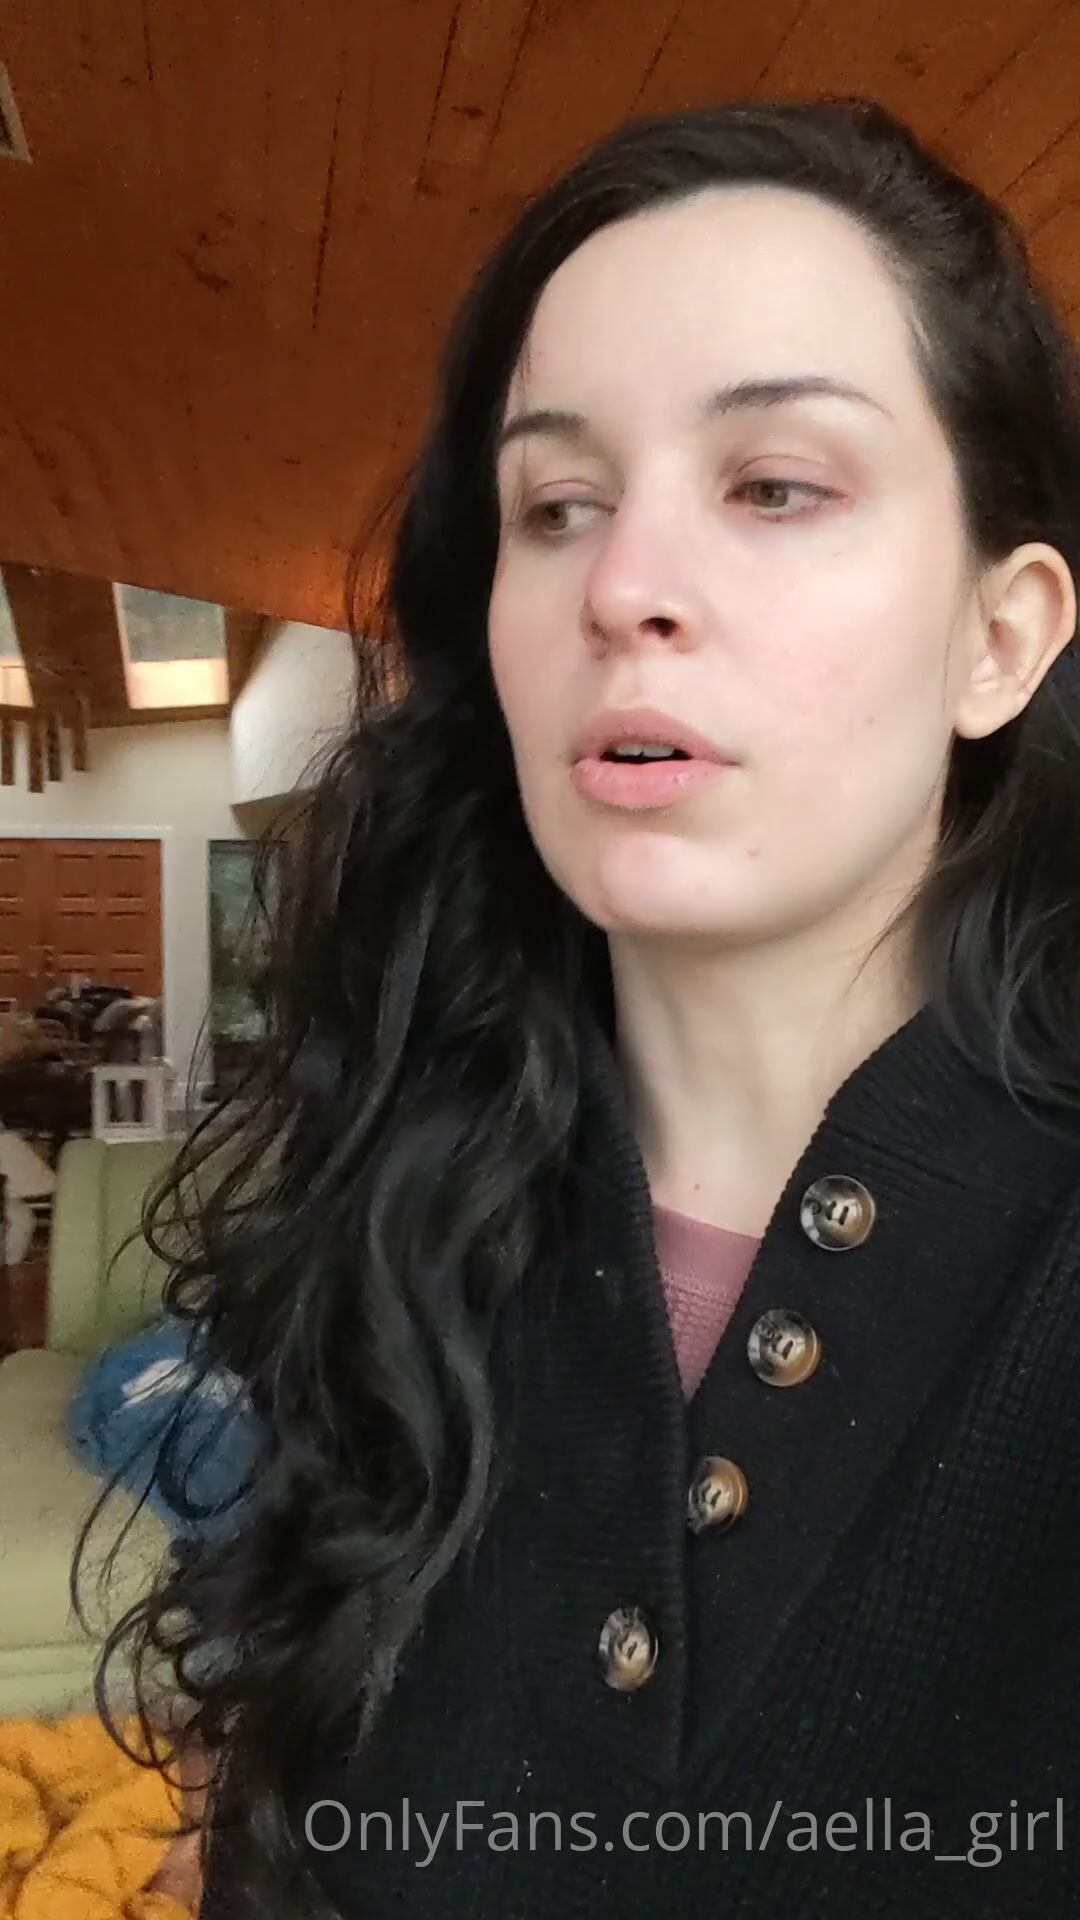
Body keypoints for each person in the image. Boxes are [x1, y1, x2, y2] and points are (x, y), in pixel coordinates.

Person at [74, 96, 1080, 1917]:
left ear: (999, 639)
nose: (623, 587)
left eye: (775, 486)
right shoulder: (398, 1219)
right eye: (556, 507)